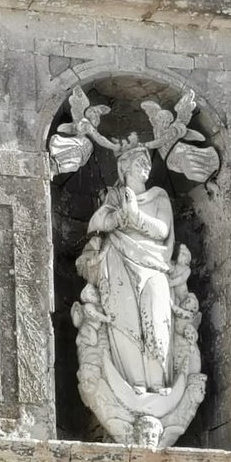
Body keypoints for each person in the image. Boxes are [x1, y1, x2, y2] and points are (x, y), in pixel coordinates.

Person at [78, 141, 176, 396]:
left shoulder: (158, 196)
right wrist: (119, 216)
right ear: (124, 168)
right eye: (138, 161)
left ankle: (159, 382)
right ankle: (135, 384)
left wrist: (134, 215)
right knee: (124, 320)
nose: (145, 165)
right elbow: (98, 224)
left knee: (157, 319)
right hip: (118, 260)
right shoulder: (114, 199)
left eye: (146, 161)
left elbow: (162, 229)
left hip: (154, 264)